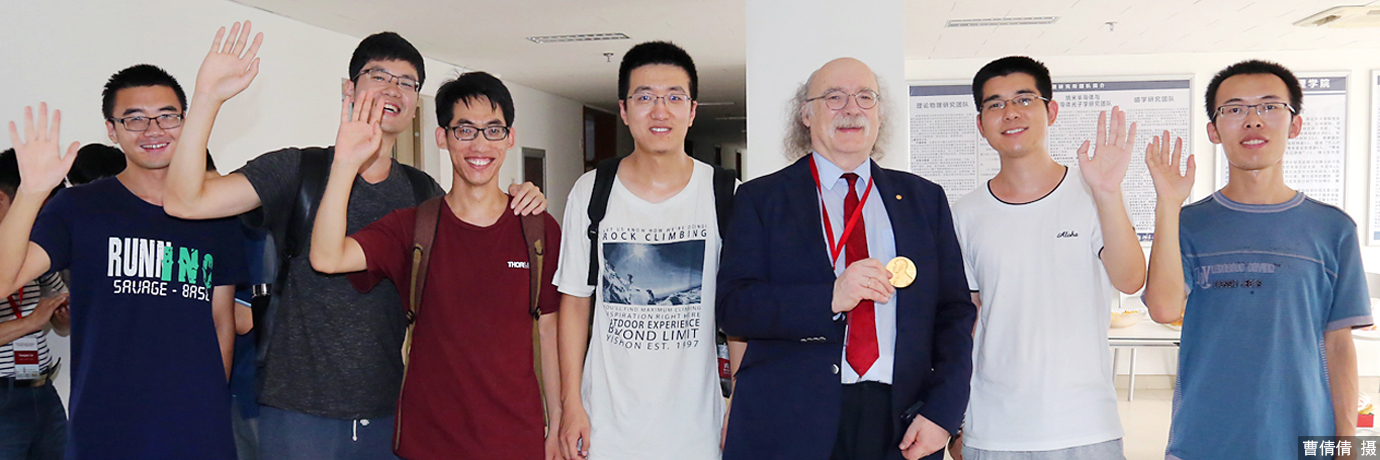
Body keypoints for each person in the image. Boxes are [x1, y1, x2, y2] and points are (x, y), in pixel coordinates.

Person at [162, 22, 545, 459]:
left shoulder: (424, 196)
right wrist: (207, 98)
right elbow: (184, 201)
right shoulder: (297, 171)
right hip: (297, 413)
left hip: (389, 410)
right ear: (349, 89)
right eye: (379, 76)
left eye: (407, 83)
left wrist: (521, 198)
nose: (393, 90)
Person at [717, 57, 974, 460]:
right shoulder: (760, 199)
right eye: (834, 97)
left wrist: (943, 413)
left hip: (901, 426)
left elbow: (954, 315)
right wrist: (830, 298)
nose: (852, 109)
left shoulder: (924, 200)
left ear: (879, 113)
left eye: (865, 97)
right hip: (788, 424)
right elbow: (734, 309)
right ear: (806, 114)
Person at [309, 71, 562, 460]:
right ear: (442, 137)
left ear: (510, 138)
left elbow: (550, 332)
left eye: (493, 130)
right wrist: (344, 164)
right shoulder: (413, 228)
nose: (480, 144)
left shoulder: (538, 230)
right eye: (465, 130)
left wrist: (557, 420)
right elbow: (326, 258)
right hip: (428, 442)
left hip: (516, 442)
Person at [2, 63, 246, 459]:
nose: (153, 130)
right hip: (106, 423)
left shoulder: (215, 213)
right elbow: (4, 280)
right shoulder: (79, 207)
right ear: (112, 130)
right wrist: (31, 192)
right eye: (135, 119)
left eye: (167, 116)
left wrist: (213, 406)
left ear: (185, 122)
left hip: (197, 425)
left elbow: (221, 321)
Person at [1143, 59, 1371, 459]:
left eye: (1269, 106)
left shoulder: (1333, 228)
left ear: (1295, 124)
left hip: (1305, 441)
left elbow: (1339, 345)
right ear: (1214, 131)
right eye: (1234, 109)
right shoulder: (1187, 223)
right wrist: (1167, 203)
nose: (1253, 120)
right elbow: (1163, 309)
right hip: (1204, 440)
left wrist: (1347, 442)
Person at [947, 56, 1145, 460]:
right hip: (995, 429)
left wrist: (1108, 193)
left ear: (1051, 111)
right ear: (981, 124)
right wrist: (957, 419)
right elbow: (965, 321)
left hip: (1085, 425)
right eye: (995, 104)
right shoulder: (965, 214)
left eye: (1024, 99)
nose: (1011, 112)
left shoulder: (1092, 194)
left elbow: (1130, 279)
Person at [554, 41, 737, 460]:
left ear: (692, 110)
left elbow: (739, 311)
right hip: (605, 431)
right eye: (645, 97)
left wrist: (740, 402)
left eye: (674, 97)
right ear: (623, 109)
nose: (660, 111)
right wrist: (570, 404)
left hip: (697, 433)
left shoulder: (724, 194)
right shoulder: (591, 192)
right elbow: (575, 304)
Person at [0, 148, 70, 460]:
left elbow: (59, 316)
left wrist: (63, 315)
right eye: (33, 206)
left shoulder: (35, 251)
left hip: (42, 390)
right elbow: (37, 317)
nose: (41, 218)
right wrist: (30, 322)